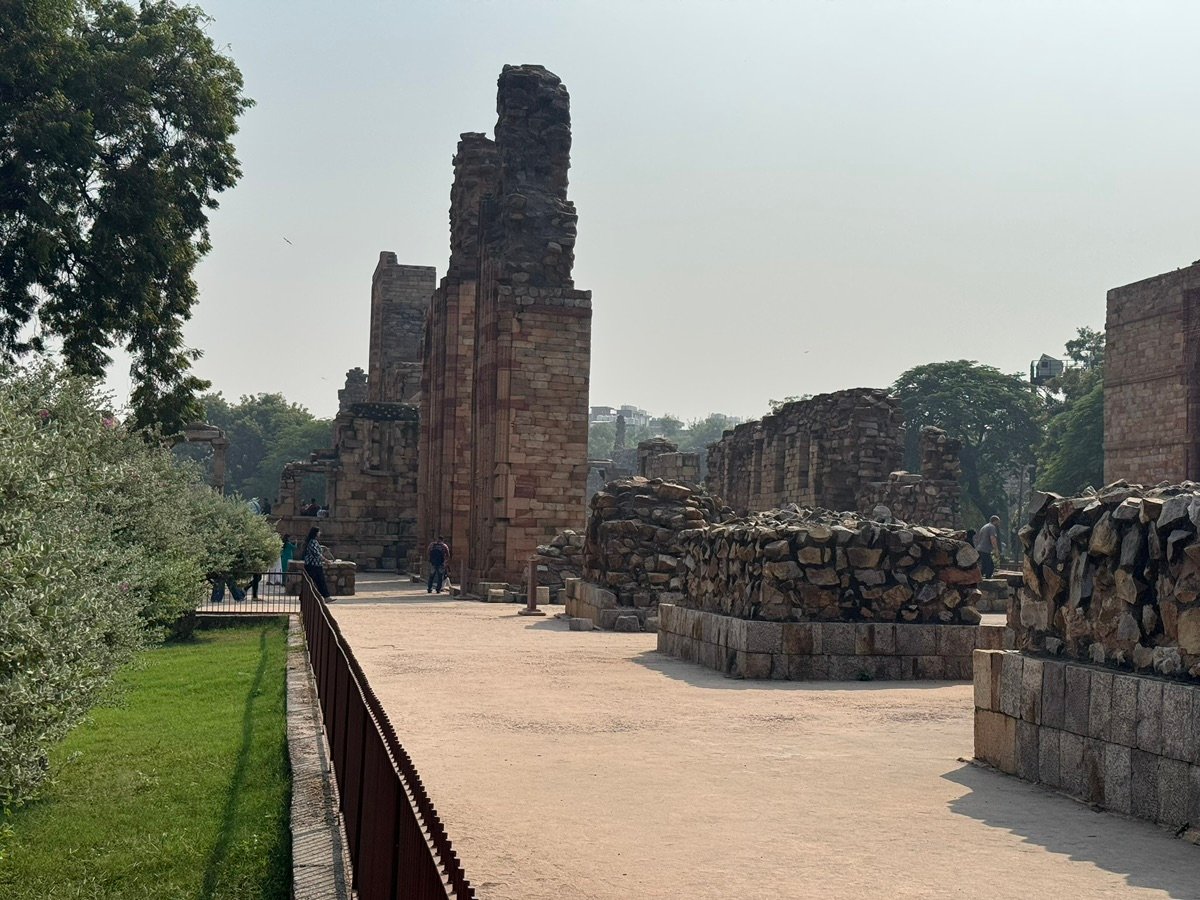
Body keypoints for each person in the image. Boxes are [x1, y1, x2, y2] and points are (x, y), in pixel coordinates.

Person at [302, 526, 335, 601]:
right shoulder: (312, 541)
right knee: (313, 582)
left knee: (319, 581)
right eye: (319, 532)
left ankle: (326, 596)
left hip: (316, 565)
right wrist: (326, 560)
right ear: (316, 533)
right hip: (312, 566)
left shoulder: (314, 541)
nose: (320, 533)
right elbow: (316, 553)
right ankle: (325, 596)